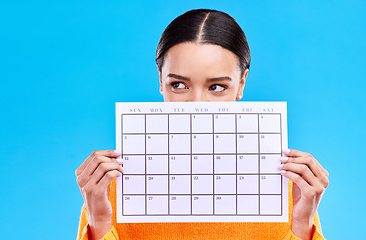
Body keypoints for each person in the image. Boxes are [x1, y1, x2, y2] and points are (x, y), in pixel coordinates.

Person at [75, 9, 328, 240]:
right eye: (179, 85)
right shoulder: (111, 185)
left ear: (241, 84)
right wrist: (99, 220)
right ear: (161, 81)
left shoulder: (286, 184)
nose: (197, 105)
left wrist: (302, 223)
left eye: (217, 87)